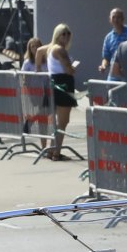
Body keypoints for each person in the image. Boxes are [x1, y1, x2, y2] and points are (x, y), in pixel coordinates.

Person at [45, 23, 77, 161]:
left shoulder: (51, 48)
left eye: (68, 33)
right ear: (57, 35)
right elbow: (69, 70)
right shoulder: (60, 50)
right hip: (63, 84)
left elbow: (39, 50)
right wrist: (73, 68)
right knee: (63, 121)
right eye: (63, 33)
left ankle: (52, 150)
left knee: (59, 121)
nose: (66, 36)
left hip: (56, 83)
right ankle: (56, 152)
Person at [99, 8, 127, 75]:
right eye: (113, 17)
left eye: (118, 17)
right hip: (114, 74)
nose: (116, 20)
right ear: (110, 19)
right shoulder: (108, 38)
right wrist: (103, 66)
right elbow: (106, 58)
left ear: (123, 19)